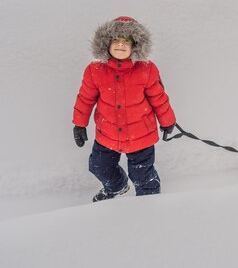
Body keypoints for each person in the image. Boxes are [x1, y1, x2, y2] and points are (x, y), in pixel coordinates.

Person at [72, 16, 176, 202]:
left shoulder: (147, 69)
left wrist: (168, 122)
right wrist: (79, 124)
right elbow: (85, 98)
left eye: (126, 41)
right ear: (106, 43)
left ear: (135, 45)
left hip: (140, 136)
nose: (120, 45)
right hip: (107, 133)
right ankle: (117, 186)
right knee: (98, 166)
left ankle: (150, 205)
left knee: (142, 176)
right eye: (116, 40)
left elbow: (158, 98)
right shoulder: (95, 70)